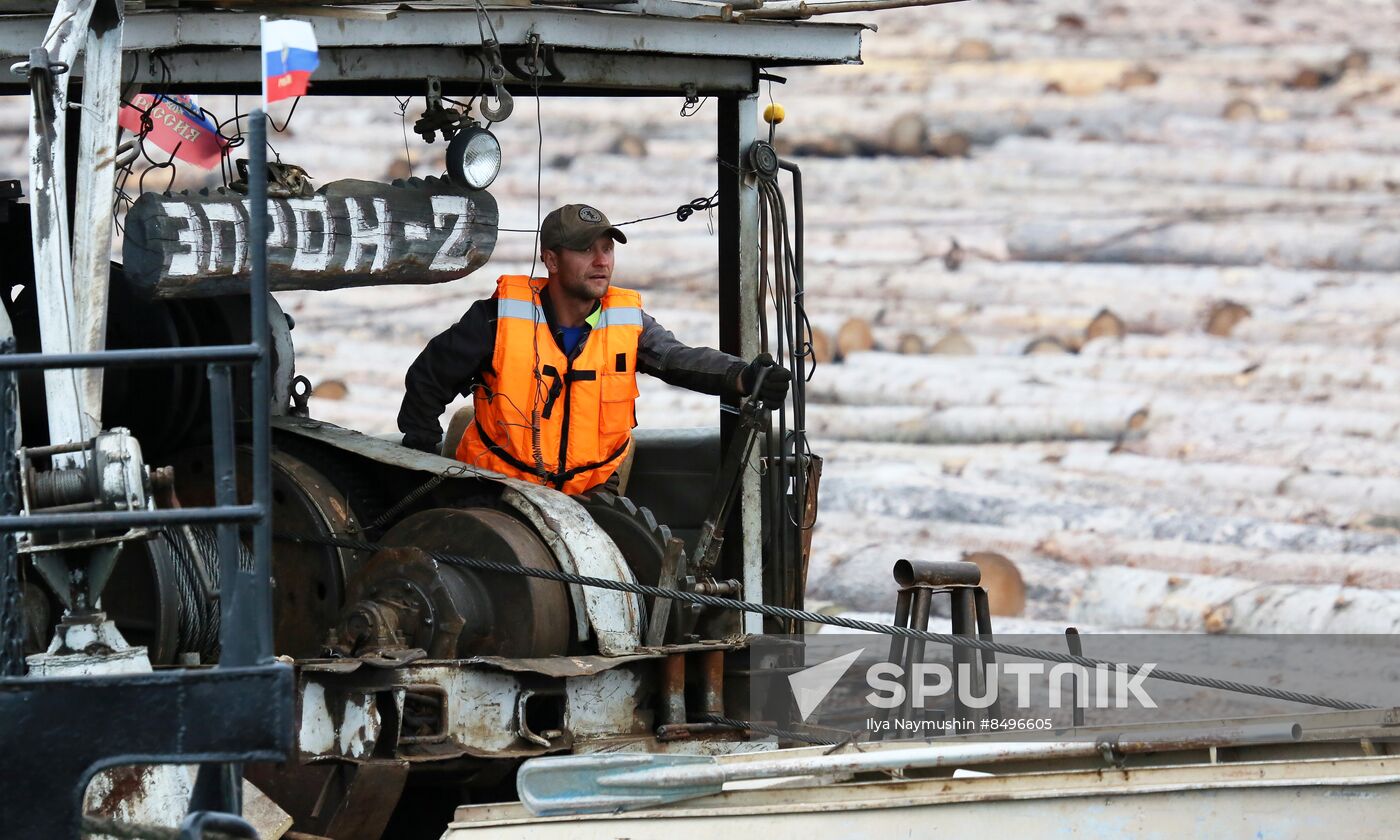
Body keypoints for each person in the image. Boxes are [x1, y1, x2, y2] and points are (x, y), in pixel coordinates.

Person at [397, 203, 792, 495]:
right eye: (586, 250)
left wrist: (743, 377)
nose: (602, 261)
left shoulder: (626, 323)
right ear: (551, 259)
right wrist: (423, 456)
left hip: (593, 496)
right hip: (497, 493)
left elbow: (677, 358)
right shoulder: (496, 319)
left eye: (608, 249)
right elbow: (427, 378)